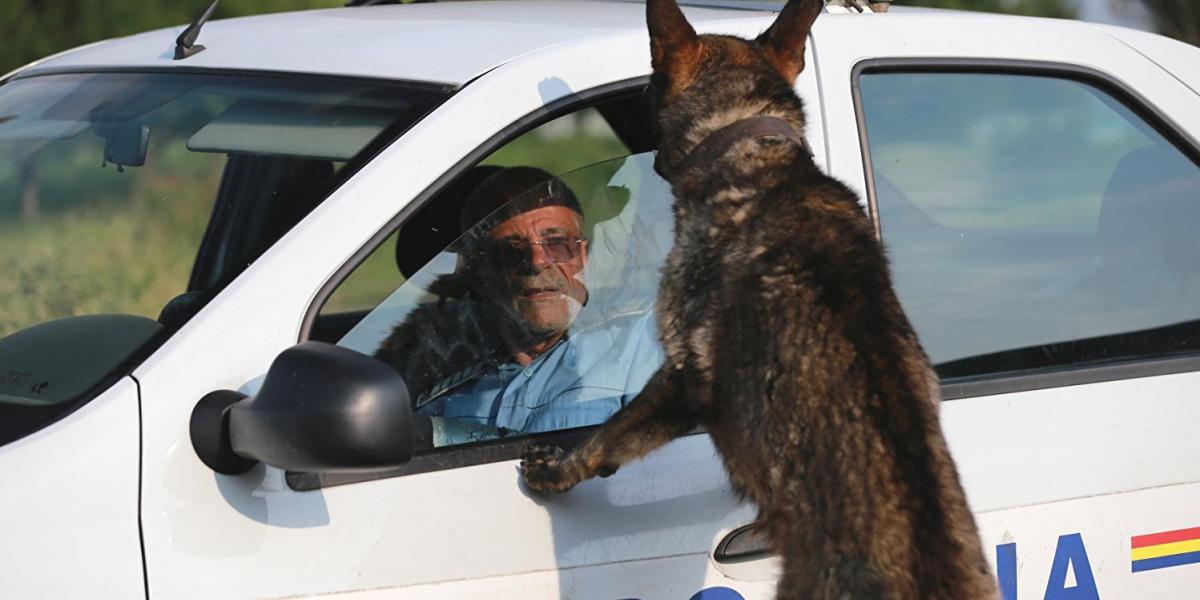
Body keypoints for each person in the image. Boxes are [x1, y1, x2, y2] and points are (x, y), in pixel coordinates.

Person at [375, 166, 662, 446]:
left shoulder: (642, 343)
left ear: (582, 255)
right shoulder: (440, 369)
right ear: (480, 273)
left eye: (558, 244)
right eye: (510, 250)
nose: (537, 262)